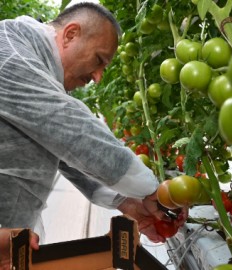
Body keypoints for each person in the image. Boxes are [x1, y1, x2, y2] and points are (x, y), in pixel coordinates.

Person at [0, 2, 188, 268]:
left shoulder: (30, 59)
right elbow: (73, 133)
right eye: (99, 60)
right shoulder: (8, 55)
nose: (98, 77)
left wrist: (125, 201)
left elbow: (61, 152)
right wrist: (152, 190)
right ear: (70, 34)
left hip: (9, 241)